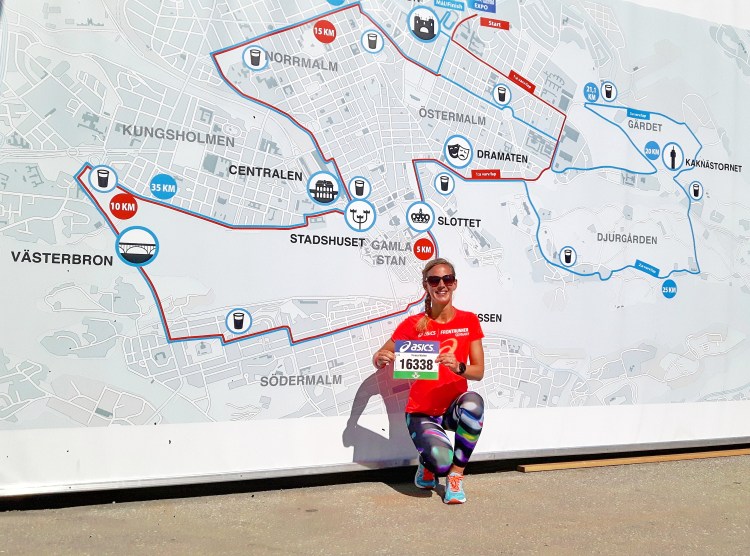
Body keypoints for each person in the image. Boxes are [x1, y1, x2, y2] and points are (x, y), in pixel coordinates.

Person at [372, 258, 485, 504]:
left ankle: (456, 476)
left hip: (451, 410)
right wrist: (381, 357)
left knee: (474, 404)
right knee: (440, 463)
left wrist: (459, 366)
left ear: (455, 284)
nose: (441, 284)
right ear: (426, 286)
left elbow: (478, 371)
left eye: (447, 279)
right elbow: (381, 355)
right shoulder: (413, 325)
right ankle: (428, 462)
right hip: (421, 413)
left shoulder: (468, 321)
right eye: (434, 280)